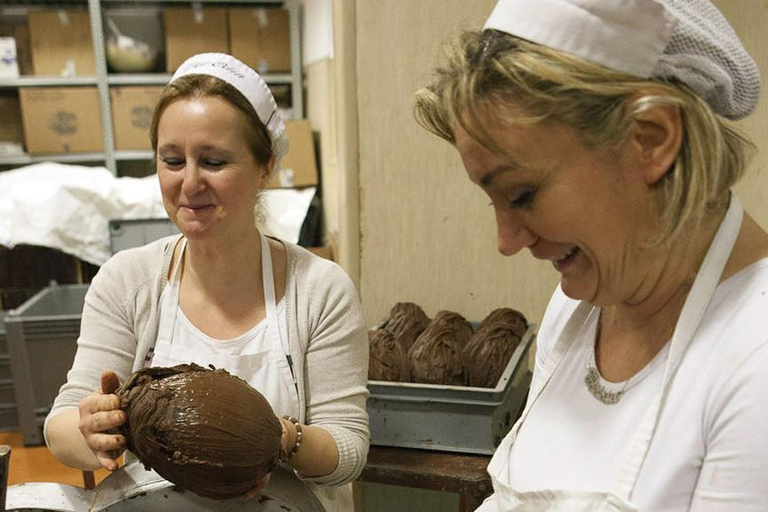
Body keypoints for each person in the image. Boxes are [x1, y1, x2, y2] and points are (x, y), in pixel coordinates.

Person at [414, 0, 768, 510]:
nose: (506, 241)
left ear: (651, 139)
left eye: (521, 195)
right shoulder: (578, 310)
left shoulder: (751, 356)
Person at [45, 53, 369, 512]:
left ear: (265, 167)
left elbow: (349, 451)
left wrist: (274, 438)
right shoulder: (127, 281)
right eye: (172, 160)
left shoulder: (319, 291)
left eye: (214, 161)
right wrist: (92, 432)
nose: (189, 183)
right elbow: (59, 429)